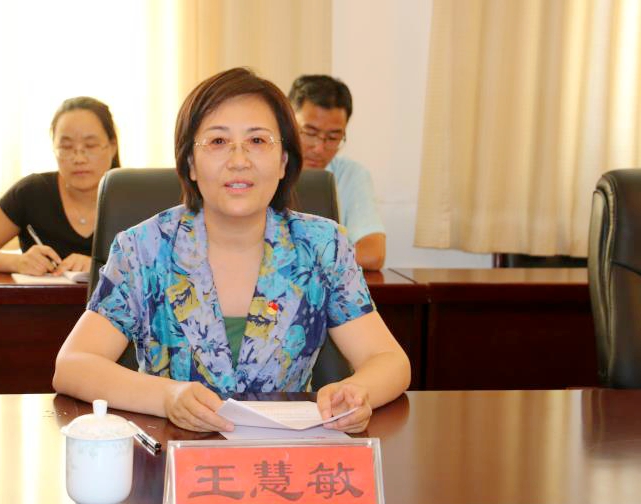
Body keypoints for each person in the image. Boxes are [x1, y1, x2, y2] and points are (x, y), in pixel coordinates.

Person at [53, 67, 410, 434]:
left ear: (283, 161)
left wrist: (357, 391)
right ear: (190, 164)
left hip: (283, 453)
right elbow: (73, 364)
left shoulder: (321, 246)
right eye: (218, 141)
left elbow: (388, 360)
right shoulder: (143, 249)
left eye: (257, 140)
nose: (239, 160)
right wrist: (166, 396)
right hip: (174, 452)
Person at [0, 97, 120, 275]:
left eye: (90, 145)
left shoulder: (133, 196)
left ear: (112, 147)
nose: (79, 158)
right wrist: (16, 262)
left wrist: (103, 266)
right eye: (66, 146)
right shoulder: (33, 192)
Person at [289, 75, 386, 271]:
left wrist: (297, 258)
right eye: (310, 133)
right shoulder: (262, 169)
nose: (319, 148)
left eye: (333, 138)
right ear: (289, 123)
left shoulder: (351, 174)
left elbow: (373, 254)